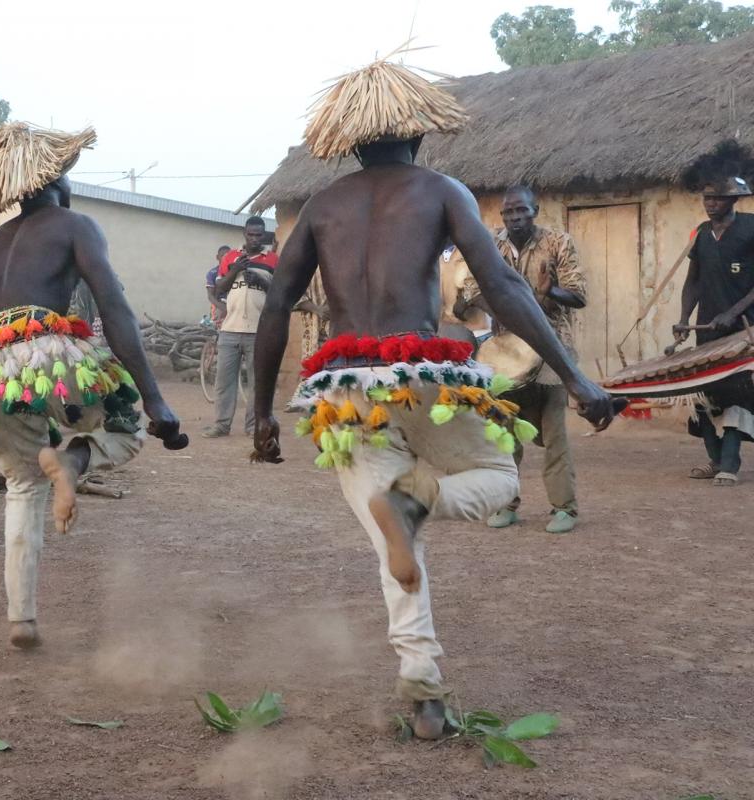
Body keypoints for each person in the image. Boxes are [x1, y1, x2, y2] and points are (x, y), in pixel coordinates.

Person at [250, 58, 617, 738]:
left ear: (350, 142)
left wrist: (259, 415)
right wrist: (575, 376)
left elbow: (276, 303)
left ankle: (423, 688)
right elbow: (503, 289)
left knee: (392, 538)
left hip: (340, 389)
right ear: (418, 133)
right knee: (503, 480)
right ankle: (420, 502)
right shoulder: (440, 189)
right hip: (419, 371)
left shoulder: (322, 206)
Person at [0, 122, 186, 649]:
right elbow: (113, 306)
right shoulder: (76, 225)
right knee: (125, 428)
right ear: (58, 178)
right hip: (43, 355)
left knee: (23, 485)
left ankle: (21, 618)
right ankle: (71, 460)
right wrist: (154, 397)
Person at [455, 186, 587, 534]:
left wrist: (548, 293)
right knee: (504, 433)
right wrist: (498, 308)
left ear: (535, 210)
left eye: (521, 211)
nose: (514, 218)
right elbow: (471, 290)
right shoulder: (491, 247)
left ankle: (564, 508)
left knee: (554, 433)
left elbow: (578, 294)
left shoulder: (558, 243)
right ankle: (506, 505)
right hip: (506, 353)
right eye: (508, 213)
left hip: (551, 352)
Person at [674, 148, 754, 487]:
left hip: (744, 330)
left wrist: (733, 312)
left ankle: (730, 464)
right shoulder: (702, 233)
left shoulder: (751, 228)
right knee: (701, 394)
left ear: (733, 200)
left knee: (736, 395)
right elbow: (693, 281)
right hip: (706, 330)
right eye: (707, 198)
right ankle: (714, 457)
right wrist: (682, 320)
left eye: (718, 199)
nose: (711, 204)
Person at [203, 217, 278, 437]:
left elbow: (278, 294)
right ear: (244, 233)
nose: (254, 239)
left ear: (264, 235)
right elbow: (218, 290)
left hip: (258, 331)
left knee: (257, 383)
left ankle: (253, 426)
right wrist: (235, 269)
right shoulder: (230, 258)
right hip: (229, 330)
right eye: (250, 234)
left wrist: (262, 281)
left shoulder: (273, 260)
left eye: (259, 235)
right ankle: (221, 425)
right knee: (224, 382)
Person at [205, 245, 231, 324]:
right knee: (217, 327)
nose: (225, 258)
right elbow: (210, 296)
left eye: (228, 256)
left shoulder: (235, 271)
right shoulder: (213, 273)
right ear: (217, 257)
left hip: (233, 304)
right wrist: (222, 307)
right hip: (219, 304)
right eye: (223, 256)